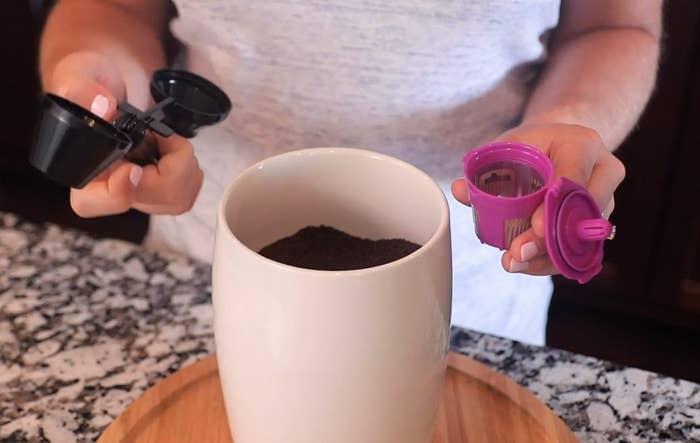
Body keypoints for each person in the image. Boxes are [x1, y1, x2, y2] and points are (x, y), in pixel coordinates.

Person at [38, 0, 661, 345]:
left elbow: (612, 24)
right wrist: (106, 94)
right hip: (208, 277)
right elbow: (113, 7)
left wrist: (570, 121)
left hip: (466, 303)